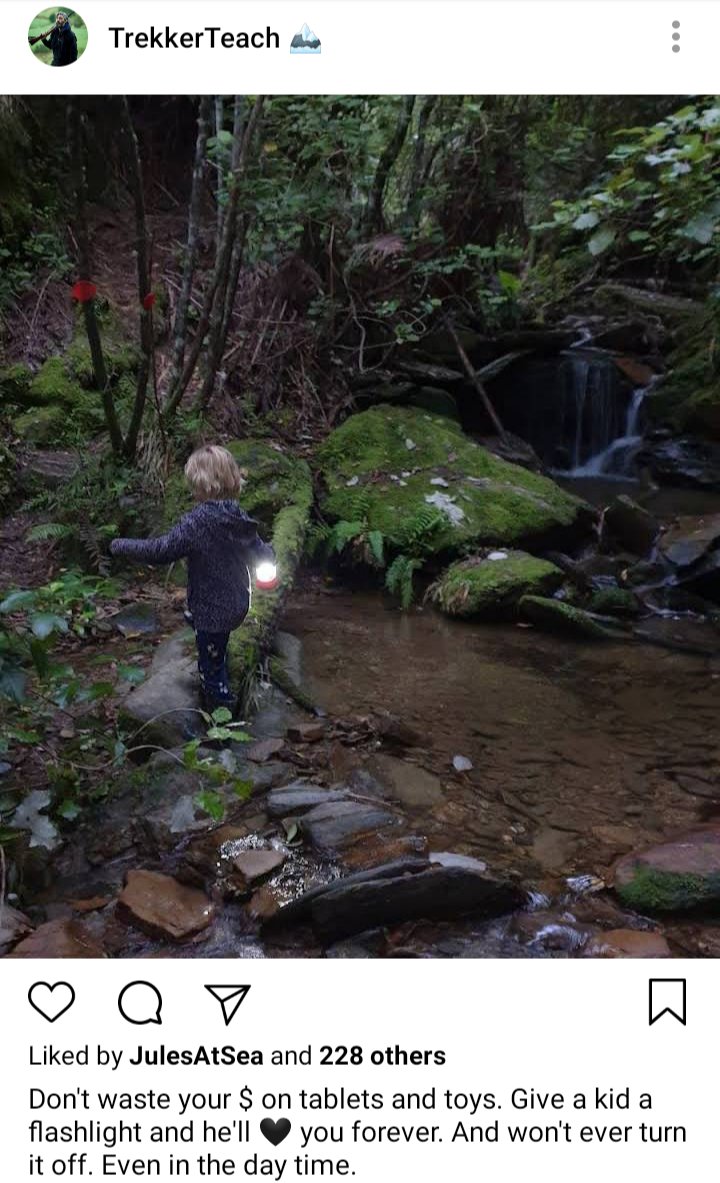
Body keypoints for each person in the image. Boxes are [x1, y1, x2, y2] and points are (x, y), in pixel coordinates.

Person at [110, 445, 276, 713]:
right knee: (208, 627)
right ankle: (208, 637)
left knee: (211, 668)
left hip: (212, 611)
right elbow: (260, 552)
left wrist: (122, 545)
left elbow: (160, 551)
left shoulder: (196, 523)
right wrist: (272, 557)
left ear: (199, 484)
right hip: (238, 604)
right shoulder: (237, 516)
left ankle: (221, 718)